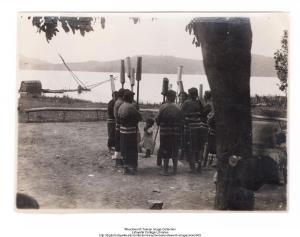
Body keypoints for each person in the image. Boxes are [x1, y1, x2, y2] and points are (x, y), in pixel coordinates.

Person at [156, 90, 183, 176]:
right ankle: (175, 170)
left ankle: (165, 170)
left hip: (165, 133)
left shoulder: (163, 107)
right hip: (175, 133)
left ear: (167, 97)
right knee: (174, 150)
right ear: (174, 97)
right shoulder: (178, 107)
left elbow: (158, 120)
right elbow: (182, 120)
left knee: (165, 150)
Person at [181, 87, 207, 173]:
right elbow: (203, 113)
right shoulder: (199, 102)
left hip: (190, 128)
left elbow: (181, 114)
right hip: (199, 126)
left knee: (190, 148)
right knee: (199, 148)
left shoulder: (187, 103)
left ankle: (192, 168)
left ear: (190, 94)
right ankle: (199, 166)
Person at [118, 89, 142, 175]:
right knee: (131, 150)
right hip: (130, 131)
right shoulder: (131, 107)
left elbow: (118, 118)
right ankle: (131, 168)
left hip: (122, 131)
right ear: (130, 98)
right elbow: (140, 117)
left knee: (124, 149)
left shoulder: (121, 106)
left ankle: (125, 168)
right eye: (132, 97)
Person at [112, 88, 125, 166]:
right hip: (120, 125)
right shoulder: (121, 103)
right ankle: (118, 161)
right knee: (120, 142)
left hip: (117, 124)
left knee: (118, 142)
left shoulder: (117, 102)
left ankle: (118, 160)